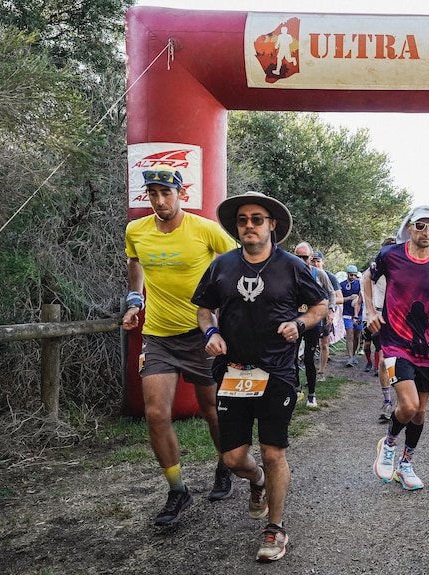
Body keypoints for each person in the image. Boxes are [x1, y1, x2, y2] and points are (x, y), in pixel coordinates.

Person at [192, 191, 328, 562]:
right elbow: (205, 310)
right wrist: (211, 333)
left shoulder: (292, 267)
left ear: (272, 225)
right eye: (242, 221)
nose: (249, 225)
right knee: (234, 458)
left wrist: (299, 324)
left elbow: (319, 306)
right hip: (233, 372)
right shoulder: (221, 266)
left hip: (277, 371)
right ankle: (258, 483)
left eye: (256, 219)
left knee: (272, 451)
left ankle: (276, 528)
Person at [122, 165, 237, 527]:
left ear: (180, 194)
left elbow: (236, 261)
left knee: (212, 411)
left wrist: (227, 312)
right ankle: (177, 490)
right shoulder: (136, 230)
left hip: (200, 336)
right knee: (156, 413)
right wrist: (133, 301)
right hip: (157, 335)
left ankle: (225, 465)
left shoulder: (203, 229)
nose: (159, 201)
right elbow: (134, 262)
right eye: (152, 194)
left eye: (165, 194)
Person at [365, 206, 429, 490]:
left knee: (419, 412)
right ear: (408, 227)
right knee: (407, 406)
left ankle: (405, 464)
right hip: (396, 341)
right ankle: (389, 444)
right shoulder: (390, 255)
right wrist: (371, 311)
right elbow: (366, 278)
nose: (426, 232)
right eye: (420, 226)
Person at [293, 242, 337, 407]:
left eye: (305, 257)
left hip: (313, 321)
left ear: (311, 258)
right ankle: (297, 388)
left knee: (309, 358)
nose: (302, 260)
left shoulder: (319, 274)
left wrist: (330, 310)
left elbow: (331, 293)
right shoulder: (289, 273)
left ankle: (312, 394)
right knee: (292, 356)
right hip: (294, 321)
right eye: (298, 257)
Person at [362, 236, 398, 420]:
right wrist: (369, 311)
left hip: (400, 318)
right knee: (384, 360)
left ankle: (402, 399)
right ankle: (387, 401)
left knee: (398, 361)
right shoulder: (376, 267)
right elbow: (364, 280)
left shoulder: (404, 266)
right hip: (381, 315)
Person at [311, 251, 341, 381]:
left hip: (325, 315)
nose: (316, 264)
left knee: (323, 344)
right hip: (309, 315)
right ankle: (310, 371)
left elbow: (338, 297)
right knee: (310, 345)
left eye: (318, 261)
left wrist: (329, 309)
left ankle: (321, 372)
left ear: (323, 262)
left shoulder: (329, 276)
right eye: (314, 261)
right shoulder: (307, 273)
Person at [340, 265, 362, 367]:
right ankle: (349, 358)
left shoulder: (360, 284)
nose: (352, 276)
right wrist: (349, 298)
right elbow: (339, 299)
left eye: (354, 275)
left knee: (357, 336)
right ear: (347, 274)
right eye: (350, 275)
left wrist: (357, 299)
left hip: (359, 313)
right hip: (346, 313)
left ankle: (353, 355)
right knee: (349, 334)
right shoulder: (342, 285)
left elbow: (364, 297)